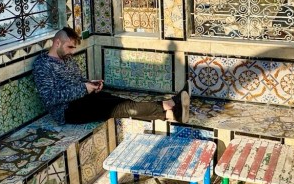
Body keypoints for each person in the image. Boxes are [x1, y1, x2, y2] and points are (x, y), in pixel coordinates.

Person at [33, 27, 189, 125]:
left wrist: (90, 84)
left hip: (83, 98)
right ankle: (170, 105)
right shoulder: (42, 65)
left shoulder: (67, 59)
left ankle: (171, 112)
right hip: (68, 111)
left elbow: (78, 81)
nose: (72, 51)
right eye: (70, 47)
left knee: (124, 101)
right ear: (58, 43)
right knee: (124, 108)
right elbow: (50, 97)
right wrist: (83, 88)